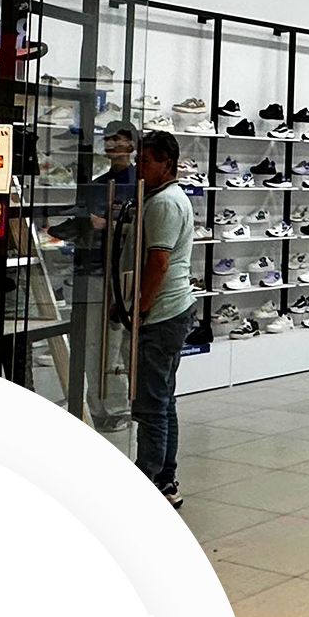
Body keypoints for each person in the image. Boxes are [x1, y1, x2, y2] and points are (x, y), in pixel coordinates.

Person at [128, 130, 196, 507]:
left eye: (146, 161)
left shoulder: (164, 203)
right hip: (172, 310)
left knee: (151, 405)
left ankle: (148, 484)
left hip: (162, 313)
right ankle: (165, 481)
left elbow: (158, 262)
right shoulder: (165, 198)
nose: (139, 167)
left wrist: (140, 308)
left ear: (167, 164)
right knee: (164, 400)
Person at [76, 121, 138, 427]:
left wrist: (109, 225)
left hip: (124, 271)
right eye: (108, 139)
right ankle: (101, 405)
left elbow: (141, 227)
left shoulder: (138, 183)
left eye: (119, 139)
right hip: (96, 268)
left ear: (132, 145)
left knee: (117, 341)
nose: (112, 144)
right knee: (96, 342)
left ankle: (118, 407)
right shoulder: (98, 184)